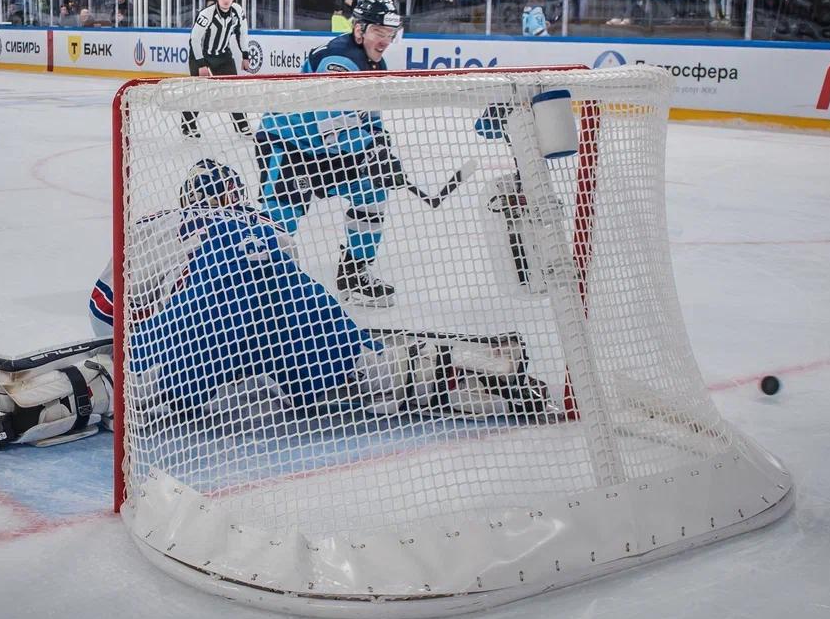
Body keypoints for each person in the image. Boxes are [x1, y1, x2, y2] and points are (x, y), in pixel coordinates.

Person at [89, 159, 545, 422]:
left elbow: (102, 313)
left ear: (187, 199)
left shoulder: (156, 224)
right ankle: (467, 373)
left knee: (128, 385)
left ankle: (73, 396)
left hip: (202, 322)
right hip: (278, 297)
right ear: (238, 196)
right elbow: (278, 288)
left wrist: (141, 336)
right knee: (366, 372)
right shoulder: (263, 224)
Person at [254, 0, 403, 307]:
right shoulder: (339, 58)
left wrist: (381, 146)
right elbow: (334, 129)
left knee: (372, 191)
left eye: (390, 34)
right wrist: (372, 151)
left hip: (325, 151)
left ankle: (353, 275)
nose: (386, 41)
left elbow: (369, 117)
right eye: (379, 32)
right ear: (359, 30)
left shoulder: (375, 63)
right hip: (289, 144)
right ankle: (258, 287)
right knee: (280, 220)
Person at [184, 0, 251, 138]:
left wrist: (245, 55)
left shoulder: (238, 11)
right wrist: (200, 64)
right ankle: (188, 127)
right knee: (197, 93)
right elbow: (194, 39)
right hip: (201, 56)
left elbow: (242, 33)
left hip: (223, 56)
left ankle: (242, 126)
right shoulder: (206, 14)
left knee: (232, 91)